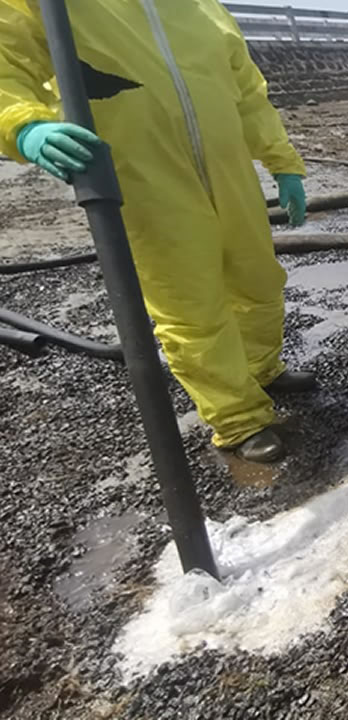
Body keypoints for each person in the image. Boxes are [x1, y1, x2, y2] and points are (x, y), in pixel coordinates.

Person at [0, 0, 314, 464]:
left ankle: (260, 370)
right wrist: (25, 127)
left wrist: (283, 162)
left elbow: (247, 92)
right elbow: (7, 62)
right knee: (189, 304)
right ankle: (238, 419)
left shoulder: (202, 8)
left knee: (259, 281)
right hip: (144, 178)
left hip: (230, 173)